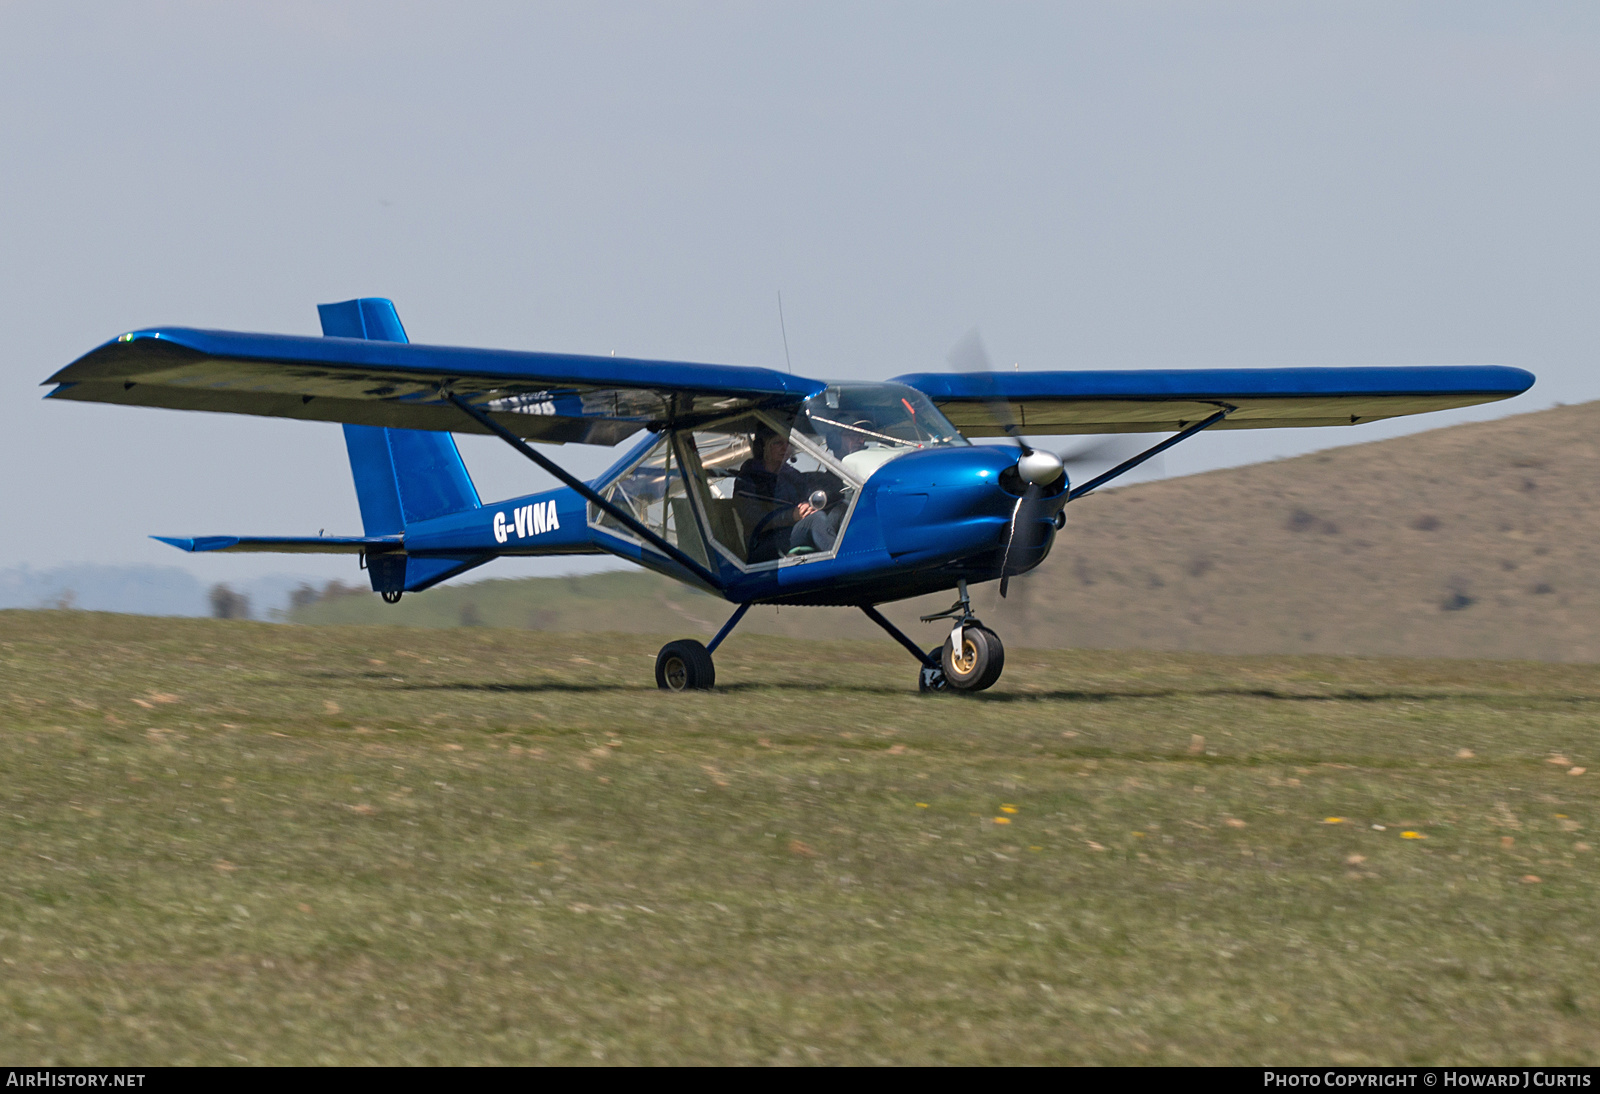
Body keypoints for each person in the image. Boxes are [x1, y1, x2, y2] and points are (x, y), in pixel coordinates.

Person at [734, 426, 842, 561]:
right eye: (778, 443)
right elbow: (752, 519)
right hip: (764, 542)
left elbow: (810, 487)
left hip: (792, 532)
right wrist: (791, 515)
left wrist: (807, 506)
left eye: (788, 443)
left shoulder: (790, 475)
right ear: (763, 447)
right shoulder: (748, 479)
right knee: (817, 519)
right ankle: (842, 562)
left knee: (840, 510)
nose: (785, 448)